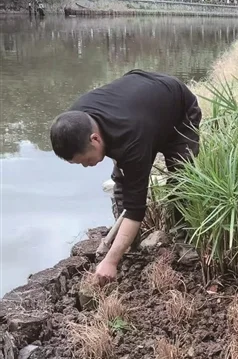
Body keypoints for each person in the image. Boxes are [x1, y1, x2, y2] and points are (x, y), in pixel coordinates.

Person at [50, 71, 202, 284]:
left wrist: (111, 261)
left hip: (178, 108)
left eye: (85, 160)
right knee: (122, 182)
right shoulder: (76, 120)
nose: (85, 166)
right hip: (142, 109)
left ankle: (184, 241)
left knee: (181, 180)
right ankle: (130, 244)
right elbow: (125, 180)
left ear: (95, 139)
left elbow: (135, 209)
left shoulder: (130, 138)